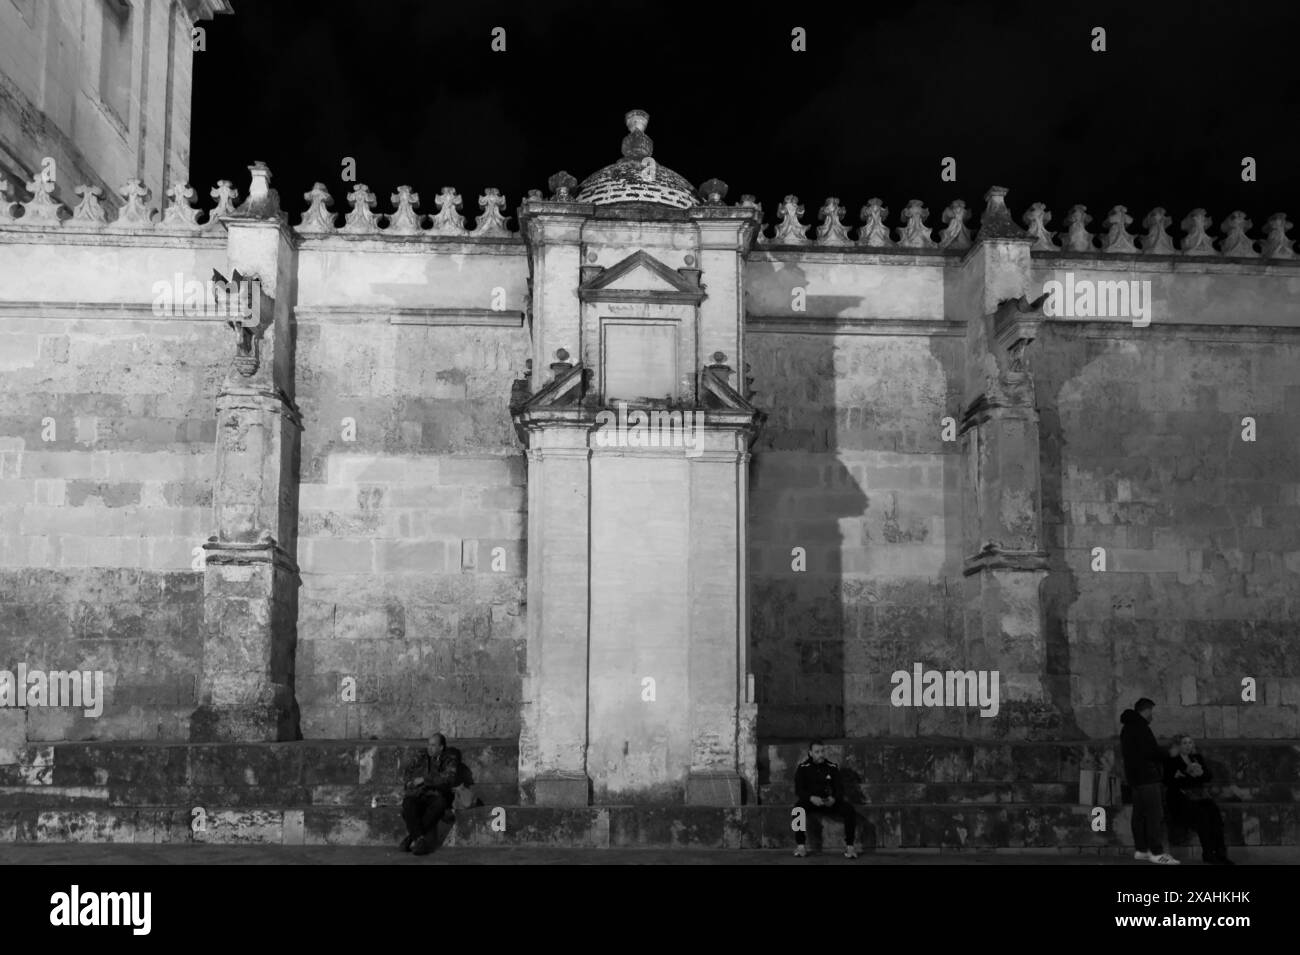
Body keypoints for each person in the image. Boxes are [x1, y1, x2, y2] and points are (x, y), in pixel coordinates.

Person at [1119, 698, 1180, 864]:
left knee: (1139, 814)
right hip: (1147, 777)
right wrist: (1169, 753)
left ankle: (1141, 849)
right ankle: (1156, 852)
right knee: (1154, 814)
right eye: (1151, 712)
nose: (1152, 716)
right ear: (1145, 710)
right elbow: (1150, 752)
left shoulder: (1127, 727)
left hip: (1135, 778)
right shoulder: (1140, 727)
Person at [1164, 735, 1233, 865]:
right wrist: (1188, 774)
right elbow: (1169, 781)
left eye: (1190, 742)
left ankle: (1221, 853)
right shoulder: (1172, 761)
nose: (1188, 745)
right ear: (1178, 745)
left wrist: (1199, 774)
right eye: (1184, 743)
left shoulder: (1197, 758)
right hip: (1181, 797)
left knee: (1215, 815)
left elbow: (1208, 776)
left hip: (1199, 795)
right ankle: (1208, 853)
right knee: (1203, 817)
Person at [792, 740, 859, 859]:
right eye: (817, 752)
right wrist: (811, 798)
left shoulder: (832, 767)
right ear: (811, 753)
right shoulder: (803, 768)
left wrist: (834, 798)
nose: (821, 754)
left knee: (849, 810)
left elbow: (839, 788)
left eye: (822, 751)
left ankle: (850, 846)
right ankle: (800, 846)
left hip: (829, 802)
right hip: (811, 801)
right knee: (797, 810)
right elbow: (799, 790)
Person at [399, 733, 461, 856]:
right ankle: (419, 839)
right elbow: (407, 773)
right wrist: (410, 783)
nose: (429, 748)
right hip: (420, 794)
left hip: (437, 795)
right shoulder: (422, 756)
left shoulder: (449, 758)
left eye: (433, 745)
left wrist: (424, 780)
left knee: (439, 804)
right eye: (429, 744)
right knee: (408, 803)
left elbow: (448, 779)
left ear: (441, 747)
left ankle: (412, 838)